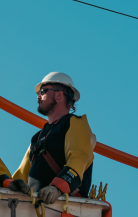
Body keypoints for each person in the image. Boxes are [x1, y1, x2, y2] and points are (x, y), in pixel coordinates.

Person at [13, 72, 95, 204]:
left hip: (65, 206)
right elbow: (21, 174)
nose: (38, 96)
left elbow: (79, 157)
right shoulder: (37, 137)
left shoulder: (75, 123)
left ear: (59, 95)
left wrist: (57, 187)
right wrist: (7, 185)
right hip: (32, 207)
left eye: (43, 91)